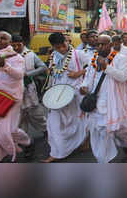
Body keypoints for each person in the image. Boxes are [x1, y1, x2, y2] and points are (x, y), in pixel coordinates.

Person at [80, 35, 127, 163]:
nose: (100, 47)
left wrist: (106, 67)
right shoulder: (93, 59)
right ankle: (104, 160)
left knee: (121, 131)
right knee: (101, 132)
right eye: (98, 44)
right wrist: (84, 87)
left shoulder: (121, 59)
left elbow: (123, 77)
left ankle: (126, 146)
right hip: (95, 102)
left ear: (111, 44)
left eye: (103, 44)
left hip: (113, 102)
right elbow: (88, 77)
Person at [41, 32, 88, 163]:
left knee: (76, 122)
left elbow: (93, 66)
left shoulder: (79, 54)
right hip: (57, 95)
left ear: (67, 41)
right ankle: (57, 152)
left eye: (63, 45)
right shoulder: (52, 56)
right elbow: (53, 74)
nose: (61, 49)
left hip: (75, 93)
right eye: (58, 47)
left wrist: (79, 73)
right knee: (53, 123)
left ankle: (82, 140)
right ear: (53, 46)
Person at [0, 31, 31, 163]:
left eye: (3, 38)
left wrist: (4, 65)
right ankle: (0, 158)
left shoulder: (16, 57)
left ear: (9, 42)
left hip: (11, 98)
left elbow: (19, 75)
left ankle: (27, 142)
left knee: (7, 131)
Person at [11, 35, 48, 156]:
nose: (16, 47)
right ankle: (26, 144)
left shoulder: (31, 55)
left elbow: (43, 67)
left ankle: (47, 131)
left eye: (18, 45)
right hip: (14, 92)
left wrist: (29, 74)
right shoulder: (8, 56)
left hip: (29, 90)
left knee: (37, 115)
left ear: (23, 43)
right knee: (20, 120)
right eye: (13, 45)